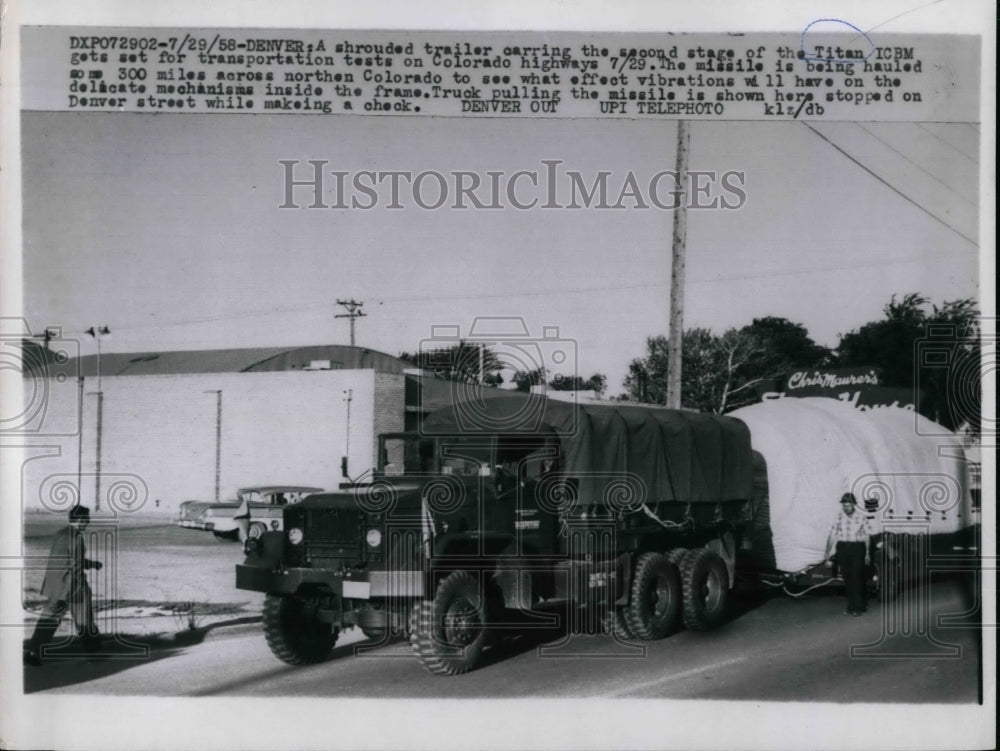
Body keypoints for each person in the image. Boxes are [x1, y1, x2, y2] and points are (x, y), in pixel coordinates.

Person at [24, 505, 103, 665]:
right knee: (85, 620)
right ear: (80, 520)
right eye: (86, 519)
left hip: (55, 586)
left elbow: (65, 558)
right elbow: (76, 565)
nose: (87, 522)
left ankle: (33, 652)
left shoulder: (61, 534)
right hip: (72, 587)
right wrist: (82, 588)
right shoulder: (76, 537)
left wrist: (92, 563)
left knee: (48, 620)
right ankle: (94, 653)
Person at [824, 492, 872, 616]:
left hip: (857, 548)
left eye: (848, 505)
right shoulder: (839, 517)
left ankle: (858, 607)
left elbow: (867, 536)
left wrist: (867, 553)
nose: (846, 508)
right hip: (843, 548)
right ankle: (850, 606)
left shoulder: (861, 517)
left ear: (854, 505)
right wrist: (827, 551)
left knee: (856, 577)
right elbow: (833, 534)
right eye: (844, 506)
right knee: (847, 578)